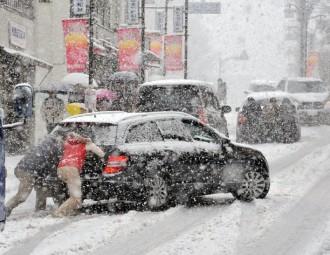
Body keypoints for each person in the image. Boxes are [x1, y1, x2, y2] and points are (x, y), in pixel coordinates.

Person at [5, 130, 66, 216]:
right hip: (27, 171)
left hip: (26, 169)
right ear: (60, 139)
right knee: (22, 196)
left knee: (41, 187)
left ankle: (40, 209)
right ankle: (4, 210)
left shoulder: (46, 142)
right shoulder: (54, 147)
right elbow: (52, 167)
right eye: (65, 141)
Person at [53, 132, 104, 217]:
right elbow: (102, 154)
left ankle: (70, 211)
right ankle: (58, 213)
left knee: (73, 195)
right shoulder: (87, 144)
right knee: (76, 198)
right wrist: (91, 144)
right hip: (72, 169)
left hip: (60, 169)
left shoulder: (68, 142)